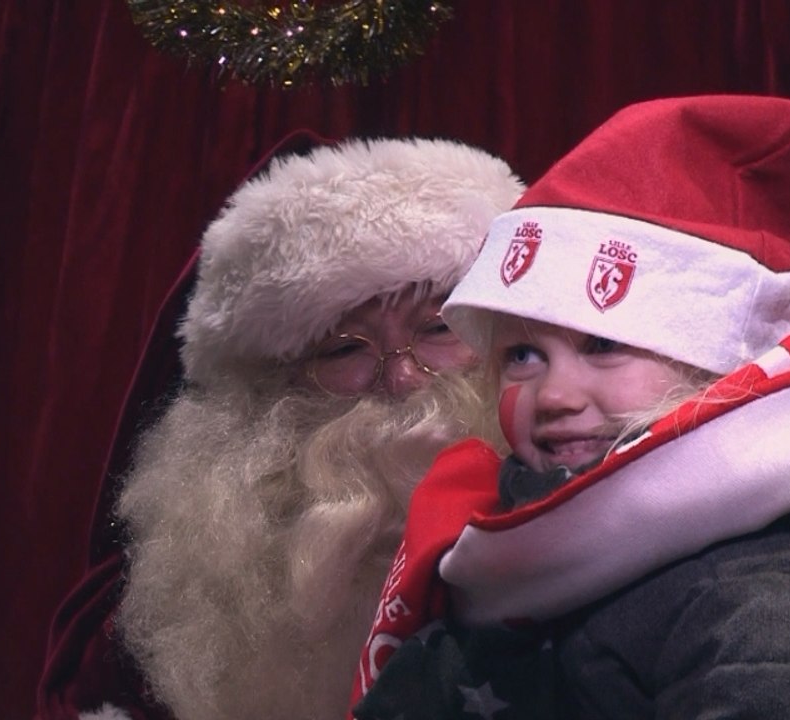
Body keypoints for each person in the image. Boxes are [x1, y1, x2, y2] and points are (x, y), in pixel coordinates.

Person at [352, 95, 790, 719]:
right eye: (523, 355)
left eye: (604, 345)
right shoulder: (528, 560)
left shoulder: (786, 598)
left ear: (722, 372)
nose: (554, 396)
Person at [34, 136, 524, 720]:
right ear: (272, 394)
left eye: (438, 328)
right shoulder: (180, 598)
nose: (401, 377)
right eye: (344, 349)